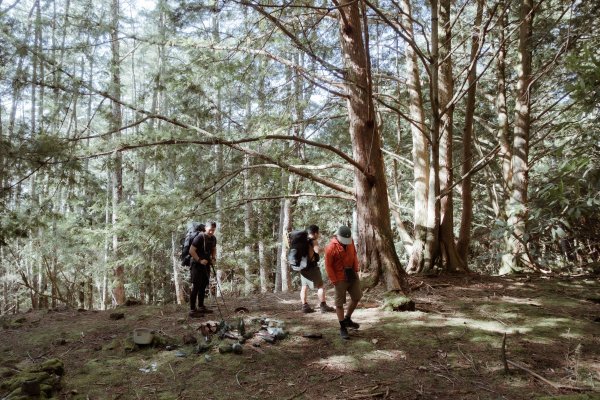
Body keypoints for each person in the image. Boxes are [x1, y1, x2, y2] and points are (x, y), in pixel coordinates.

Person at [324, 225, 362, 340]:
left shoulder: (350, 242)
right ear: (338, 236)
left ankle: (347, 319)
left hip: (352, 274)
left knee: (357, 297)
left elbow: (354, 255)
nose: (346, 242)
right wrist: (334, 279)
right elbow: (328, 265)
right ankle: (342, 326)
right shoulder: (330, 247)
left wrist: (356, 268)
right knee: (339, 303)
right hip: (339, 277)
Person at [299, 225, 335, 313]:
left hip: (302, 266)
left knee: (304, 287)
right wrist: (326, 249)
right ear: (315, 233)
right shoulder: (313, 241)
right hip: (312, 267)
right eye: (318, 233)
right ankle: (323, 305)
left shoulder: (302, 240)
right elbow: (317, 251)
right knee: (320, 286)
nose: (318, 235)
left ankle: (305, 306)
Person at [189, 221, 217, 315]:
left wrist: (213, 258)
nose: (211, 232)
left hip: (206, 265)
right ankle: (192, 310)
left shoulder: (213, 238)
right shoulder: (199, 237)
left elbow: (213, 248)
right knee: (196, 286)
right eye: (210, 230)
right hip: (196, 265)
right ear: (205, 228)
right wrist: (200, 260)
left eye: (213, 230)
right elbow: (191, 251)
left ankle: (201, 307)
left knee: (203, 285)